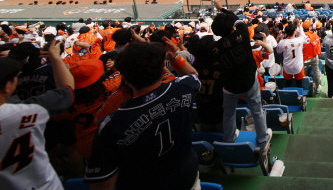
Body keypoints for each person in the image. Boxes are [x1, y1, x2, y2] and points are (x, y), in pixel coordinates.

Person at [84, 40, 203, 189]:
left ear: (125, 78)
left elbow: (103, 184)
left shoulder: (113, 124)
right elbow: (193, 75)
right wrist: (173, 58)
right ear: (162, 70)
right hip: (186, 177)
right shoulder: (182, 90)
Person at [0, 39, 75, 190]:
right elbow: (67, 90)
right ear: (7, 86)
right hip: (42, 182)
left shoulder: (20, 86)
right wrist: (55, 57)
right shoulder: (29, 109)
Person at [209, 13, 272, 154]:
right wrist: (223, 10)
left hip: (230, 85)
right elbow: (239, 20)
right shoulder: (242, 35)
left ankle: (229, 140)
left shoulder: (214, 47)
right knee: (257, 110)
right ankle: (262, 141)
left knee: (229, 114)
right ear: (231, 27)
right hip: (249, 82)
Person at [276, 19, 306, 87]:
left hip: (287, 67)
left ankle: (288, 95)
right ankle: (300, 96)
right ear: (294, 32)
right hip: (298, 66)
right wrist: (300, 26)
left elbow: (278, 51)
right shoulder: (300, 40)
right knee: (299, 84)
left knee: (287, 83)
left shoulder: (282, 42)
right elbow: (305, 38)